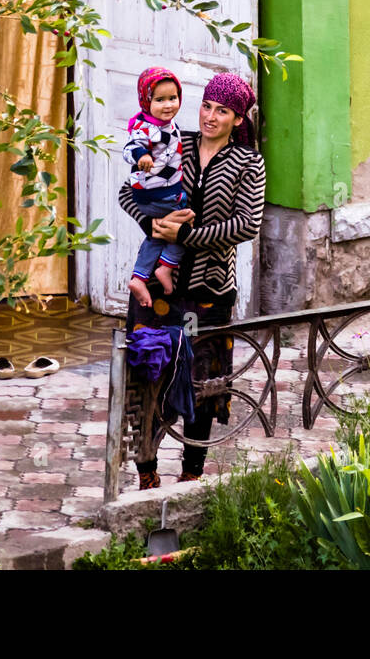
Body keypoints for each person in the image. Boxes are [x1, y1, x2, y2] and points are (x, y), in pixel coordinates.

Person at [118, 71, 266, 489]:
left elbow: (247, 225)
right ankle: (146, 473)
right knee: (147, 375)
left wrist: (187, 236)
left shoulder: (248, 163)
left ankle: (191, 474)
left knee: (203, 383)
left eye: (222, 111)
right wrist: (155, 224)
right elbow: (128, 192)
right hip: (158, 292)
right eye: (206, 106)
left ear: (238, 119)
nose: (210, 117)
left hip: (209, 291)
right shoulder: (171, 141)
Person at [123, 67, 187, 305]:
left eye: (173, 98)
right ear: (145, 101)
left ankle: (139, 277)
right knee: (185, 223)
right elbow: (130, 147)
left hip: (159, 192)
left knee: (156, 236)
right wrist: (142, 156)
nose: (168, 105)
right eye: (159, 100)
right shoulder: (145, 127)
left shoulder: (165, 123)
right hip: (159, 195)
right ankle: (166, 266)